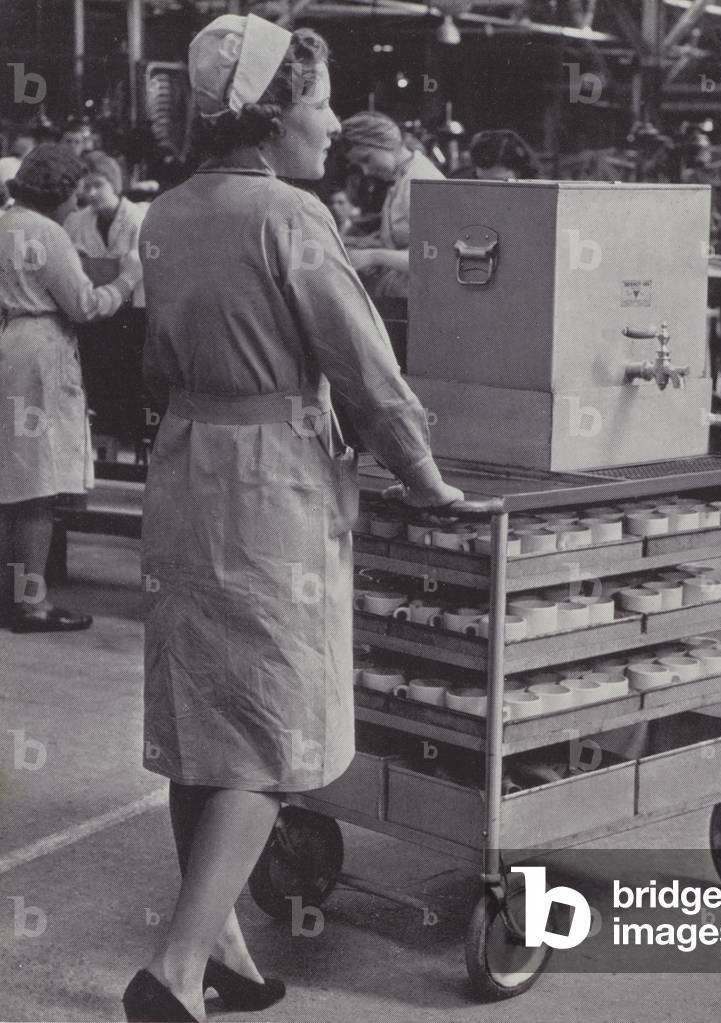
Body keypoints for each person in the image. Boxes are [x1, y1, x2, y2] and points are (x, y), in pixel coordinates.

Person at [122, 16, 464, 1023]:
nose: (330, 122)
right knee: (271, 735)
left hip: (185, 470)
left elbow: (151, 366)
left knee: (203, 723)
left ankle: (221, 948)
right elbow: (365, 367)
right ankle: (177, 970)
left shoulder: (166, 213)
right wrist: (423, 475)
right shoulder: (289, 218)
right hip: (269, 485)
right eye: (317, 102)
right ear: (272, 117)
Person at [0, 144, 141, 632]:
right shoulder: (48, 232)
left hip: (7, 344)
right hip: (40, 349)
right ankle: (30, 605)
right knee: (36, 488)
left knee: (11, 484)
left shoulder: (4, 222)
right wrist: (126, 282)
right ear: (60, 194)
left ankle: (11, 594)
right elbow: (83, 306)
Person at [65, 150, 148, 447]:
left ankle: (126, 435)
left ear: (115, 183)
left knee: (126, 378)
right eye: (86, 187)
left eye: (98, 184)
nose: (91, 193)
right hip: (93, 312)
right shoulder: (77, 221)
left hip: (132, 316)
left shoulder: (140, 219)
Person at [340, 110, 443, 299]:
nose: (366, 171)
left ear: (385, 143)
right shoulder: (402, 177)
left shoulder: (421, 180)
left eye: (366, 159)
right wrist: (368, 243)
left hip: (422, 298)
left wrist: (373, 256)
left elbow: (435, 255)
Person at [454, 128, 541, 181]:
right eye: (479, 180)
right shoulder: (457, 181)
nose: (487, 191)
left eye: (497, 183)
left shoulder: (541, 198)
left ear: (519, 174)